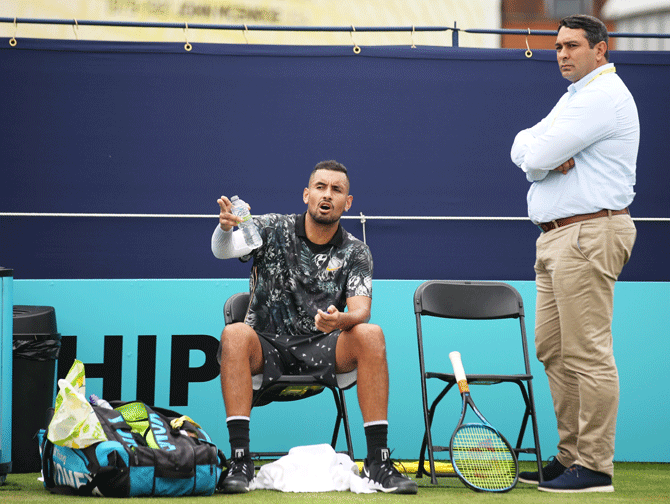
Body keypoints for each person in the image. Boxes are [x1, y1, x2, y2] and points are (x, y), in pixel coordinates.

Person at [211, 160, 418, 495]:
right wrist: (224, 228)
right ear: (307, 195)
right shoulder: (271, 227)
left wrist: (342, 320)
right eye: (320, 187)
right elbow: (224, 251)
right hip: (266, 345)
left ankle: (378, 461)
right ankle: (240, 460)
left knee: (370, 333)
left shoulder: (356, 251)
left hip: (325, 346)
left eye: (337, 190)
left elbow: (361, 311)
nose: (327, 194)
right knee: (234, 333)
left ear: (347, 202)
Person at [510, 15, 638, 493]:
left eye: (573, 46)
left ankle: (596, 466)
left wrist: (537, 157)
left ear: (600, 50)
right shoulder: (574, 97)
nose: (562, 54)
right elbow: (523, 145)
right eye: (558, 46)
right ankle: (570, 458)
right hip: (557, 237)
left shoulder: (603, 96)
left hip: (589, 233)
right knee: (553, 349)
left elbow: (536, 155)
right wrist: (537, 155)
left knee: (588, 353)